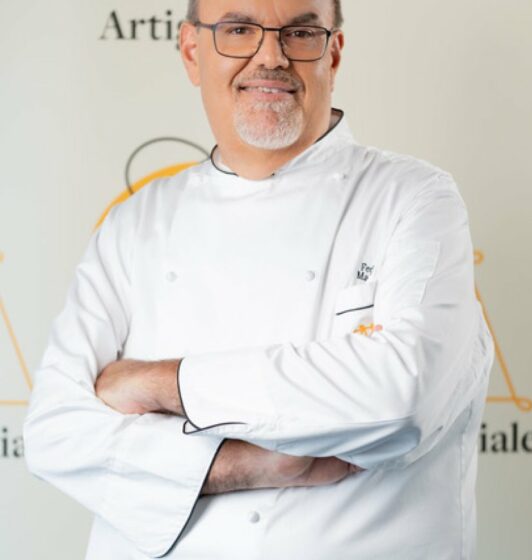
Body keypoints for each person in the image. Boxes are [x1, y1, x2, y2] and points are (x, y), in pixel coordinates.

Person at [23, 0, 495, 558]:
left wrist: (161, 384)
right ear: (192, 51)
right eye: (239, 29)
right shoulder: (135, 223)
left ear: (333, 54)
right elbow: (55, 432)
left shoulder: (414, 200)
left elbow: (400, 398)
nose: (271, 56)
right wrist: (249, 464)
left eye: (300, 33)